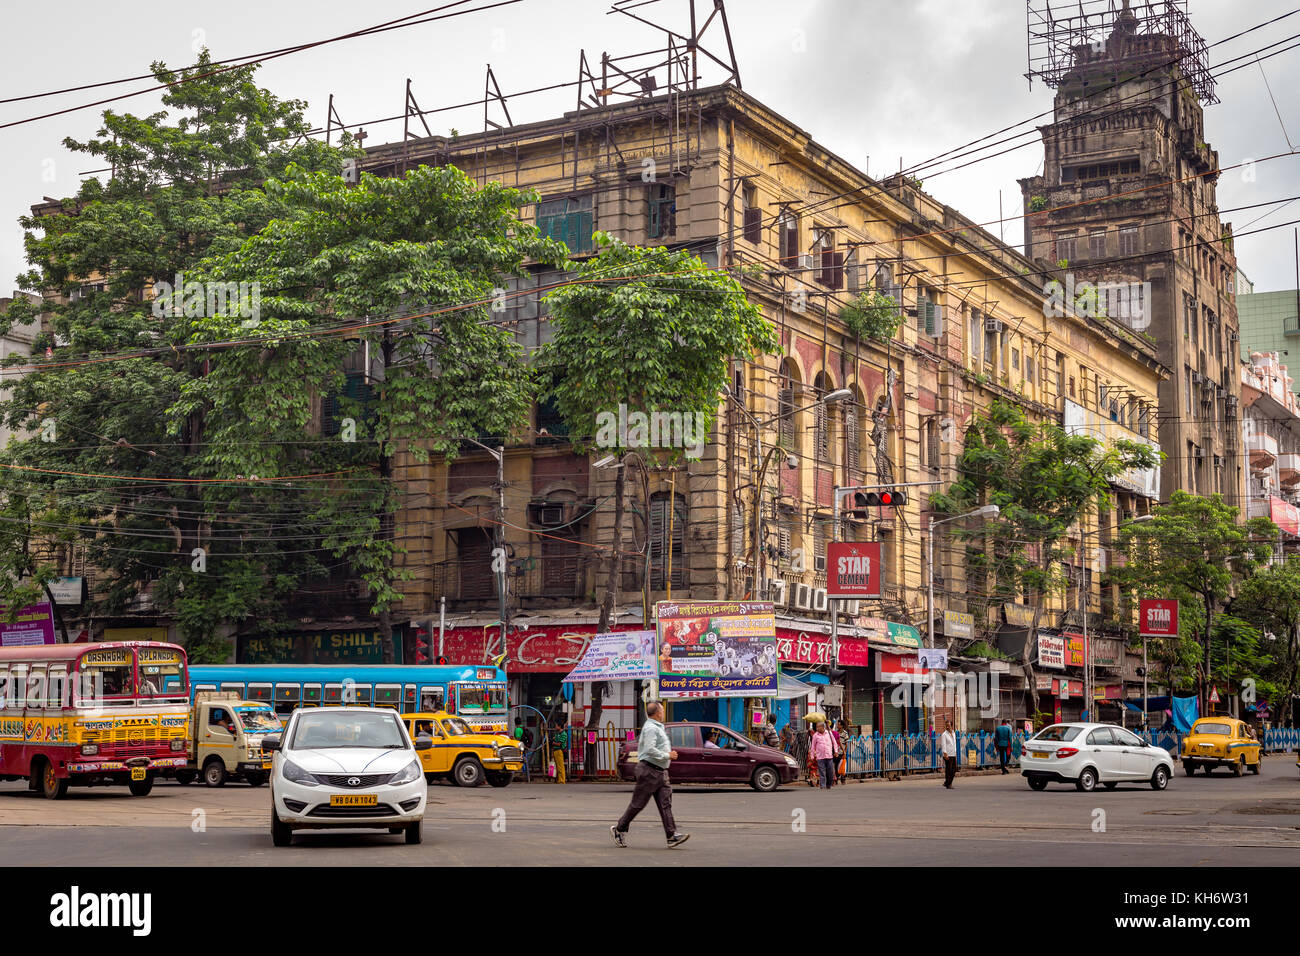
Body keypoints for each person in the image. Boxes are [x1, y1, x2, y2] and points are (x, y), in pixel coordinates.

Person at [611, 701, 690, 848]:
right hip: (649, 771)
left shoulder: (657, 727)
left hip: (660, 772)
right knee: (638, 804)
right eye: (663, 710)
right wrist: (667, 755)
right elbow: (649, 749)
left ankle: (671, 835)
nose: (664, 712)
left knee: (665, 804)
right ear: (658, 713)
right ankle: (619, 828)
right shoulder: (651, 729)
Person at [811, 721, 835, 790]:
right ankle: (822, 785)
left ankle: (829, 784)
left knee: (830, 772)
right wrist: (812, 756)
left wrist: (836, 751)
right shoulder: (815, 735)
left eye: (818, 727)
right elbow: (813, 746)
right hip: (820, 757)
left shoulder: (829, 733)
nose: (817, 728)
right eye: (817, 727)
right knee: (822, 772)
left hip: (829, 756)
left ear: (822, 727)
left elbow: (834, 742)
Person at [941, 719, 958, 789]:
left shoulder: (954, 733)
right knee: (949, 770)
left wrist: (955, 751)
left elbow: (954, 743)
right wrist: (945, 753)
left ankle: (947, 782)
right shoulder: (944, 734)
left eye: (949, 725)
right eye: (946, 726)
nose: (948, 727)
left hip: (953, 753)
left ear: (951, 726)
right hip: (947, 754)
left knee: (954, 769)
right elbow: (943, 744)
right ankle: (949, 784)